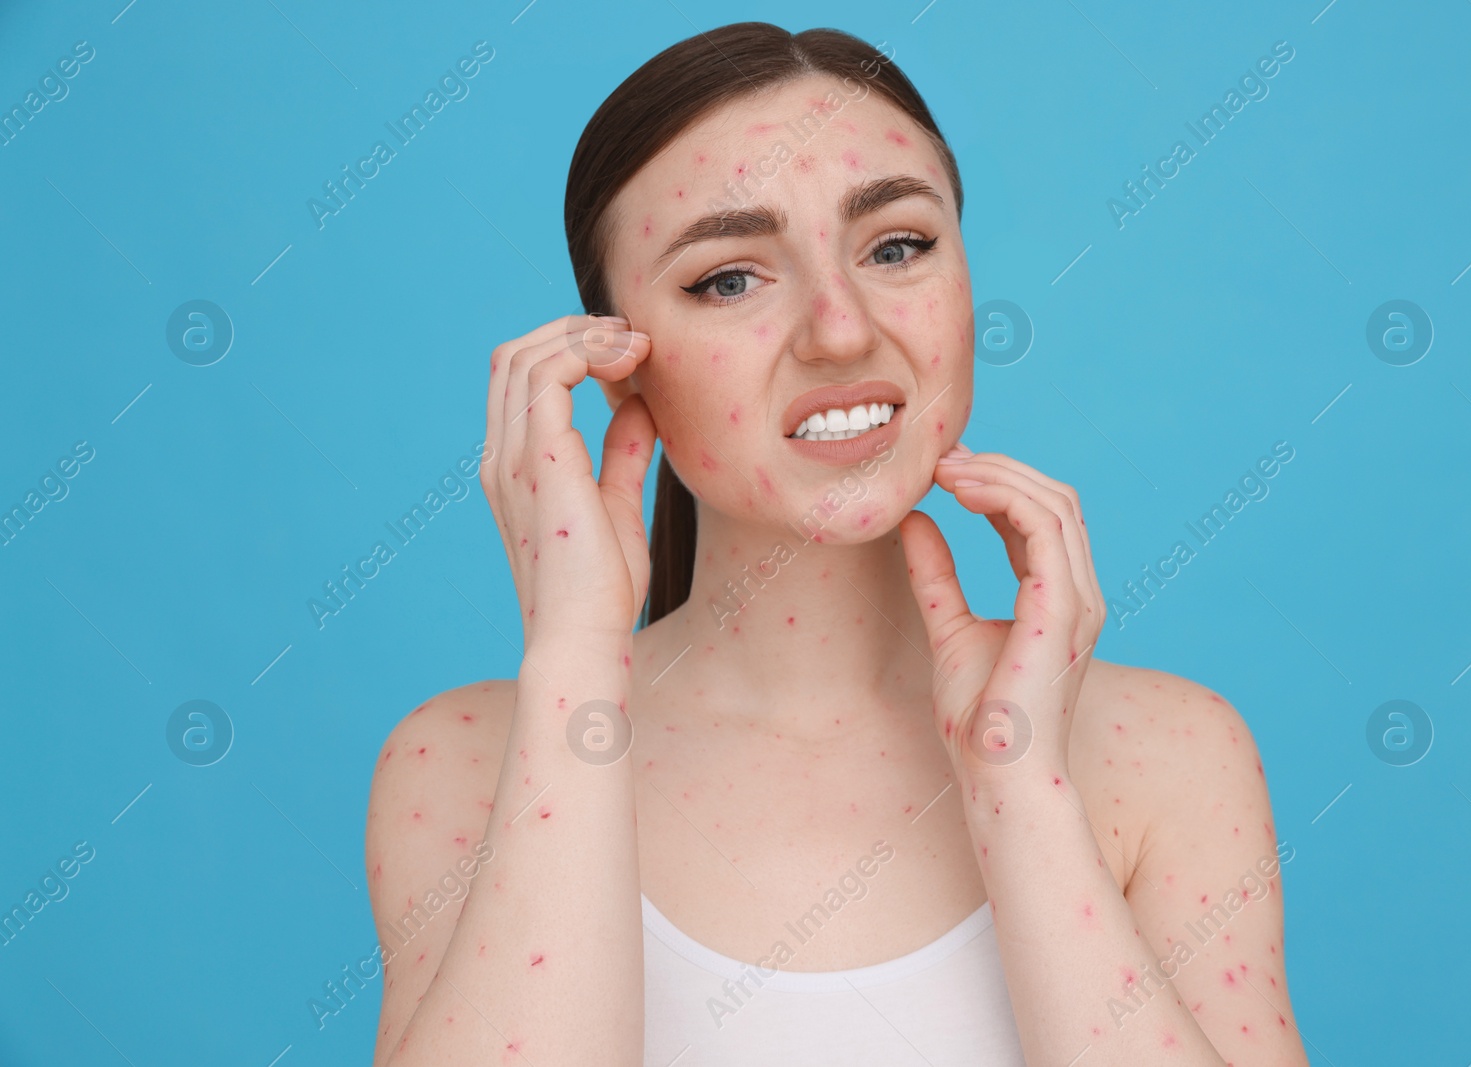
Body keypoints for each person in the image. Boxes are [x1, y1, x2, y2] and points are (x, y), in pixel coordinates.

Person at [364, 21, 1310, 1066]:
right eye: (728, 278)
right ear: (614, 361)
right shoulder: (460, 764)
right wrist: (576, 661)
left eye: (895, 247)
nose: (840, 330)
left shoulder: (1171, 755)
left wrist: (1019, 786)